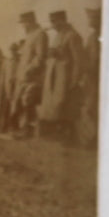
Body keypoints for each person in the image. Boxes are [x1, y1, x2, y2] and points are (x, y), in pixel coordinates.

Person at [38, 10, 84, 142]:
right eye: (52, 22)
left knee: (64, 104)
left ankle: (69, 135)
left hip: (65, 77)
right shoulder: (58, 36)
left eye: (55, 22)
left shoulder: (73, 36)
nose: (53, 25)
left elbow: (78, 61)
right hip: (54, 76)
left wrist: (75, 80)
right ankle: (59, 132)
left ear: (62, 20)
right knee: (54, 105)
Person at [11, 11, 48, 138]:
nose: (23, 26)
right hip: (24, 77)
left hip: (33, 77)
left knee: (29, 102)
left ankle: (29, 131)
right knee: (23, 102)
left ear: (30, 21)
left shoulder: (40, 34)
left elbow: (40, 57)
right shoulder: (30, 36)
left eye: (24, 23)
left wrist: (29, 69)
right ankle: (26, 130)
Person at [77, 8, 101, 146]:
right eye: (90, 18)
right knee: (90, 107)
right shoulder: (91, 37)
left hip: (99, 79)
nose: (90, 21)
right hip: (91, 78)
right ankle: (91, 138)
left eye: (93, 18)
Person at [0, 43, 19, 133]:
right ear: (10, 51)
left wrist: (15, 80)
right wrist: (1, 86)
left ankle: (12, 127)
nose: (13, 52)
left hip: (15, 87)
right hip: (6, 87)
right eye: (12, 50)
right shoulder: (6, 62)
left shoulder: (19, 61)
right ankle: (2, 127)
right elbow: (2, 74)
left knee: (14, 107)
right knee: (4, 107)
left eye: (14, 50)